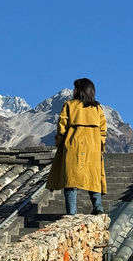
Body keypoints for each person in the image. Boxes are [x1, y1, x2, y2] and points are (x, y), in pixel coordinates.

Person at [46, 78, 107, 215]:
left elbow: (62, 127)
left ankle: (71, 213)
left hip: (73, 146)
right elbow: (103, 131)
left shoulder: (69, 105)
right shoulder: (98, 109)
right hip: (93, 148)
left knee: (71, 181)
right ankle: (98, 207)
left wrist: (60, 143)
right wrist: (99, 146)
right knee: (93, 178)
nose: (73, 91)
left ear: (80, 90)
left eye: (74, 88)